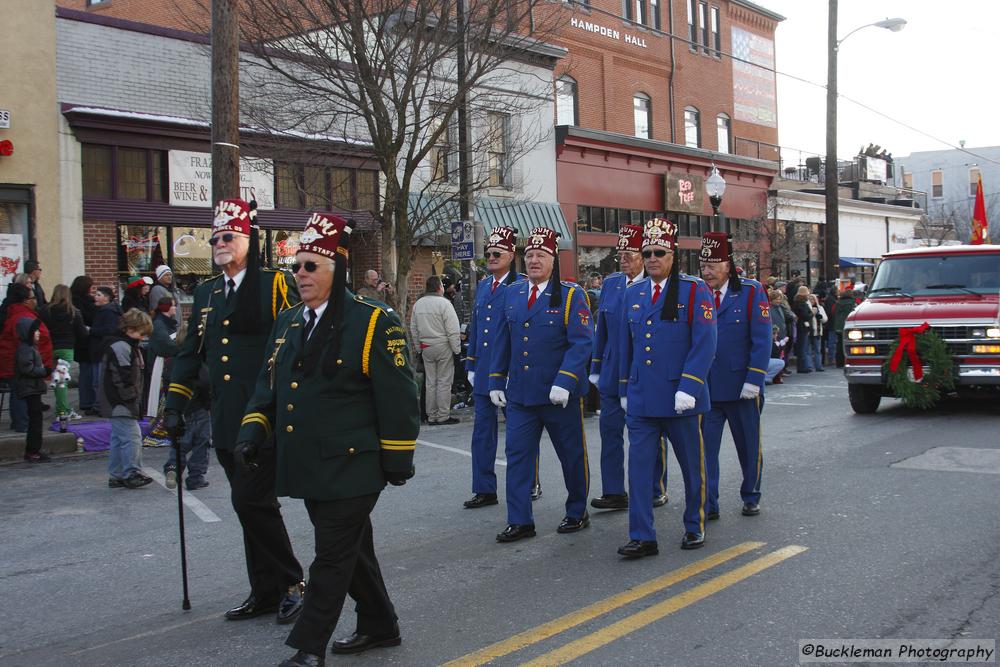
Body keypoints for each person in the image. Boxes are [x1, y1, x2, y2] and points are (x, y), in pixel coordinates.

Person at [235, 212, 418, 666]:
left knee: (331, 555)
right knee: (351, 549)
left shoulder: (373, 321)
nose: (300, 274)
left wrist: (397, 462)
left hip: (354, 465)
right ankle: (380, 623)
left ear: (337, 269)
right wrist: (252, 432)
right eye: (296, 266)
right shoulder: (290, 322)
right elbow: (269, 386)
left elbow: (399, 398)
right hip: (309, 464)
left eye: (310, 265)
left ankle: (307, 647)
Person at [163, 198, 304, 625]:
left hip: (263, 417)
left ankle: (293, 582)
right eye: (215, 237)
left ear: (248, 239)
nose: (219, 243)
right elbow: (191, 353)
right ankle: (264, 589)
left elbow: (295, 343)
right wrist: (174, 406)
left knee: (252, 499)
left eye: (228, 236)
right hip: (226, 417)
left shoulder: (275, 284)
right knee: (247, 505)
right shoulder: (207, 291)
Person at [616, 218, 716, 557]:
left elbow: (705, 342)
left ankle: (695, 524)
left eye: (659, 252)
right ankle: (643, 535)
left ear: (673, 254)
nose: (653, 258)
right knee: (640, 470)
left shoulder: (693, 289)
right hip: (643, 398)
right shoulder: (634, 293)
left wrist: (689, 386)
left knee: (691, 468)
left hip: (680, 399)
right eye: (647, 253)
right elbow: (627, 346)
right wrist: (625, 389)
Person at [489, 227, 593, 543]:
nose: (534, 261)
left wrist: (565, 381)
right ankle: (520, 520)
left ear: (553, 260)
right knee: (518, 456)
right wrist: (496, 378)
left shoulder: (572, 295)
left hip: (558, 396)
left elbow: (582, 343)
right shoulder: (513, 293)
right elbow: (503, 338)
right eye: (530, 255)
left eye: (541, 255)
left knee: (571, 456)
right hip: (521, 394)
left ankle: (577, 511)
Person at [588, 224, 667, 511]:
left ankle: (655, 488)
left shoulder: (656, 285)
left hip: (641, 372)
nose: (623, 259)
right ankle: (613, 490)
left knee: (648, 434)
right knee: (610, 432)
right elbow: (602, 331)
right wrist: (596, 367)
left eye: (629, 254)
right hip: (611, 371)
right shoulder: (611, 284)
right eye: (620, 254)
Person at [699, 232, 771, 521]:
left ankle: (751, 494)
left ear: (727, 265)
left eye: (713, 265)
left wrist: (754, 379)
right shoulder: (697, 292)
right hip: (708, 389)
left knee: (749, 445)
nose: (707, 271)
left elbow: (762, 339)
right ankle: (709, 501)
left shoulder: (751, 291)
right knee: (705, 452)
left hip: (743, 388)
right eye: (703, 265)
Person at [463, 226, 523, 509]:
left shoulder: (521, 285)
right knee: (482, 433)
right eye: (488, 253)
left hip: (511, 371)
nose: (491, 257)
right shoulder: (485, 285)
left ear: (511, 255)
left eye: (497, 253)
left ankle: (528, 483)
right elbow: (477, 327)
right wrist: (471, 363)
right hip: (485, 370)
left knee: (519, 433)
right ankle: (484, 488)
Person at [101, 308, 154, 489]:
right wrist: (131, 398)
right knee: (132, 437)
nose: (143, 337)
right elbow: (122, 378)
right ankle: (132, 472)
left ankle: (116, 474)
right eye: (142, 333)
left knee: (119, 438)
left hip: (116, 401)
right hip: (121, 402)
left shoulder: (123, 345)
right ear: (131, 329)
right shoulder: (123, 347)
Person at [0, 283, 54, 433]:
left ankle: (20, 422)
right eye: (33, 297)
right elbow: (29, 340)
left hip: (17, 361)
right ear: (25, 301)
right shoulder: (22, 317)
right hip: (19, 363)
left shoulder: (19, 314)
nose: (35, 300)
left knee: (19, 392)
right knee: (21, 393)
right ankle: (22, 423)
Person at [410, 276, 461, 425]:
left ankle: (431, 415)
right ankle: (443, 415)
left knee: (430, 382)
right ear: (439, 287)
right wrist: (456, 350)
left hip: (426, 346)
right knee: (444, 381)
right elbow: (452, 330)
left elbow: (413, 328)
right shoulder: (444, 304)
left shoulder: (418, 304)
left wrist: (419, 348)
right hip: (443, 345)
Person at [40, 284, 88, 423]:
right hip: (66, 348)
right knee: (62, 381)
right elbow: (82, 333)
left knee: (57, 380)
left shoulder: (45, 310)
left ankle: (62, 409)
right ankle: (63, 411)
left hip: (50, 347)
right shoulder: (73, 312)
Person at [15, 317, 51, 462]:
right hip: (29, 388)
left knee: (36, 419)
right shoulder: (25, 349)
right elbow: (27, 368)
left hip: (33, 388)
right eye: (35, 331)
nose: (38, 333)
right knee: (35, 420)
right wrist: (44, 371)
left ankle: (34, 449)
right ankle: (32, 451)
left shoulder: (30, 348)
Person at [71, 276, 99, 414]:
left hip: (83, 341)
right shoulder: (81, 302)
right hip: (85, 341)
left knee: (86, 372)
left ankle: (86, 400)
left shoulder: (79, 300)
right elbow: (88, 317)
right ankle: (87, 401)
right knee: (87, 372)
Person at [832, 288, 858, 368]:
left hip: (839, 326)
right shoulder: (853, 303)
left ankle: (839, 362)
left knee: (839, 344)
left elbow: (833, 312)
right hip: (849, 325)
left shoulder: (837, 303)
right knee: (851, 344)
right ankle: (850, 361)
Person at [791, 286, 814, 373]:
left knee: (802, 347)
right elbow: (805, 316)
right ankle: (802, 367)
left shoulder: (796, 303)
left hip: (800, 327)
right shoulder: (802, 304)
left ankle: (803, 366)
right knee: (803, 347)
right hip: (802, 327)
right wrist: (812, 313)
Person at [807, 293, 828, 372]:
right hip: (809, 331)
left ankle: (818, 366)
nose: (811, 301)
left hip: (817, 331)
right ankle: (809, 366)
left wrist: (820, 316)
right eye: (810, 299)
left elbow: (825, 319)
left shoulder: (820, 308)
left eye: (813, 299)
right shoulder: (807, 307)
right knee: (808, 350)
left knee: (817, 350)